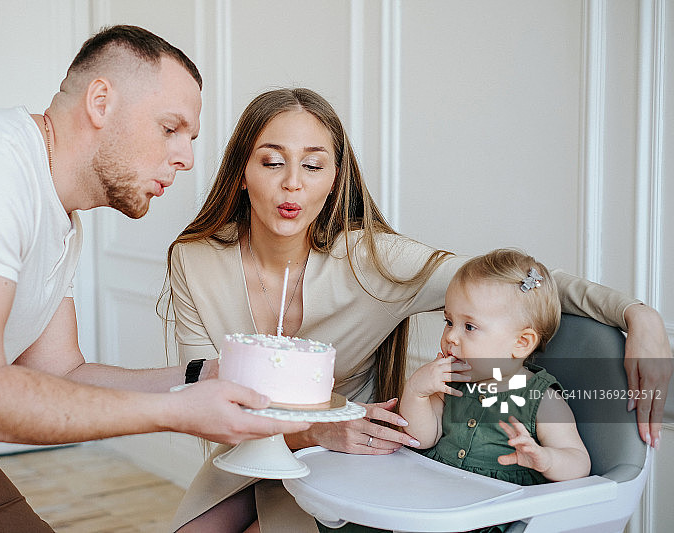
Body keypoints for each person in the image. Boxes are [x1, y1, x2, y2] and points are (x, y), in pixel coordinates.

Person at [163, 87, 671, 533]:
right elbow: (202, 398)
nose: (292, 183)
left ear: (336, 179)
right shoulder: (194, 260)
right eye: (272, 161)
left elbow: (518, 285)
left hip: (348, 467)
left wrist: (637, 314)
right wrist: (313, 429)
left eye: (313, 165)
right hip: (247, 452)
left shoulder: (377, 261)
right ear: (242, 172)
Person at [0, 25, 309, 531]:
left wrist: (200, 378)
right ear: (100, 101)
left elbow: (60, 372)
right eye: (171, 128)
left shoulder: (61, 221)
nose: (186, 158)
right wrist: (180, 412)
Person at [396, 249, 590, 533]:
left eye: (469, 326)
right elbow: (422, 438)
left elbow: (578, 462)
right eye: (448, 321)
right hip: (436, 505)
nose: (451, 336)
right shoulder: (449, 380)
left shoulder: (541, 398)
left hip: (496, 517)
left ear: (521, 343)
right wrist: (416, 392)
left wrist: (545, 459)